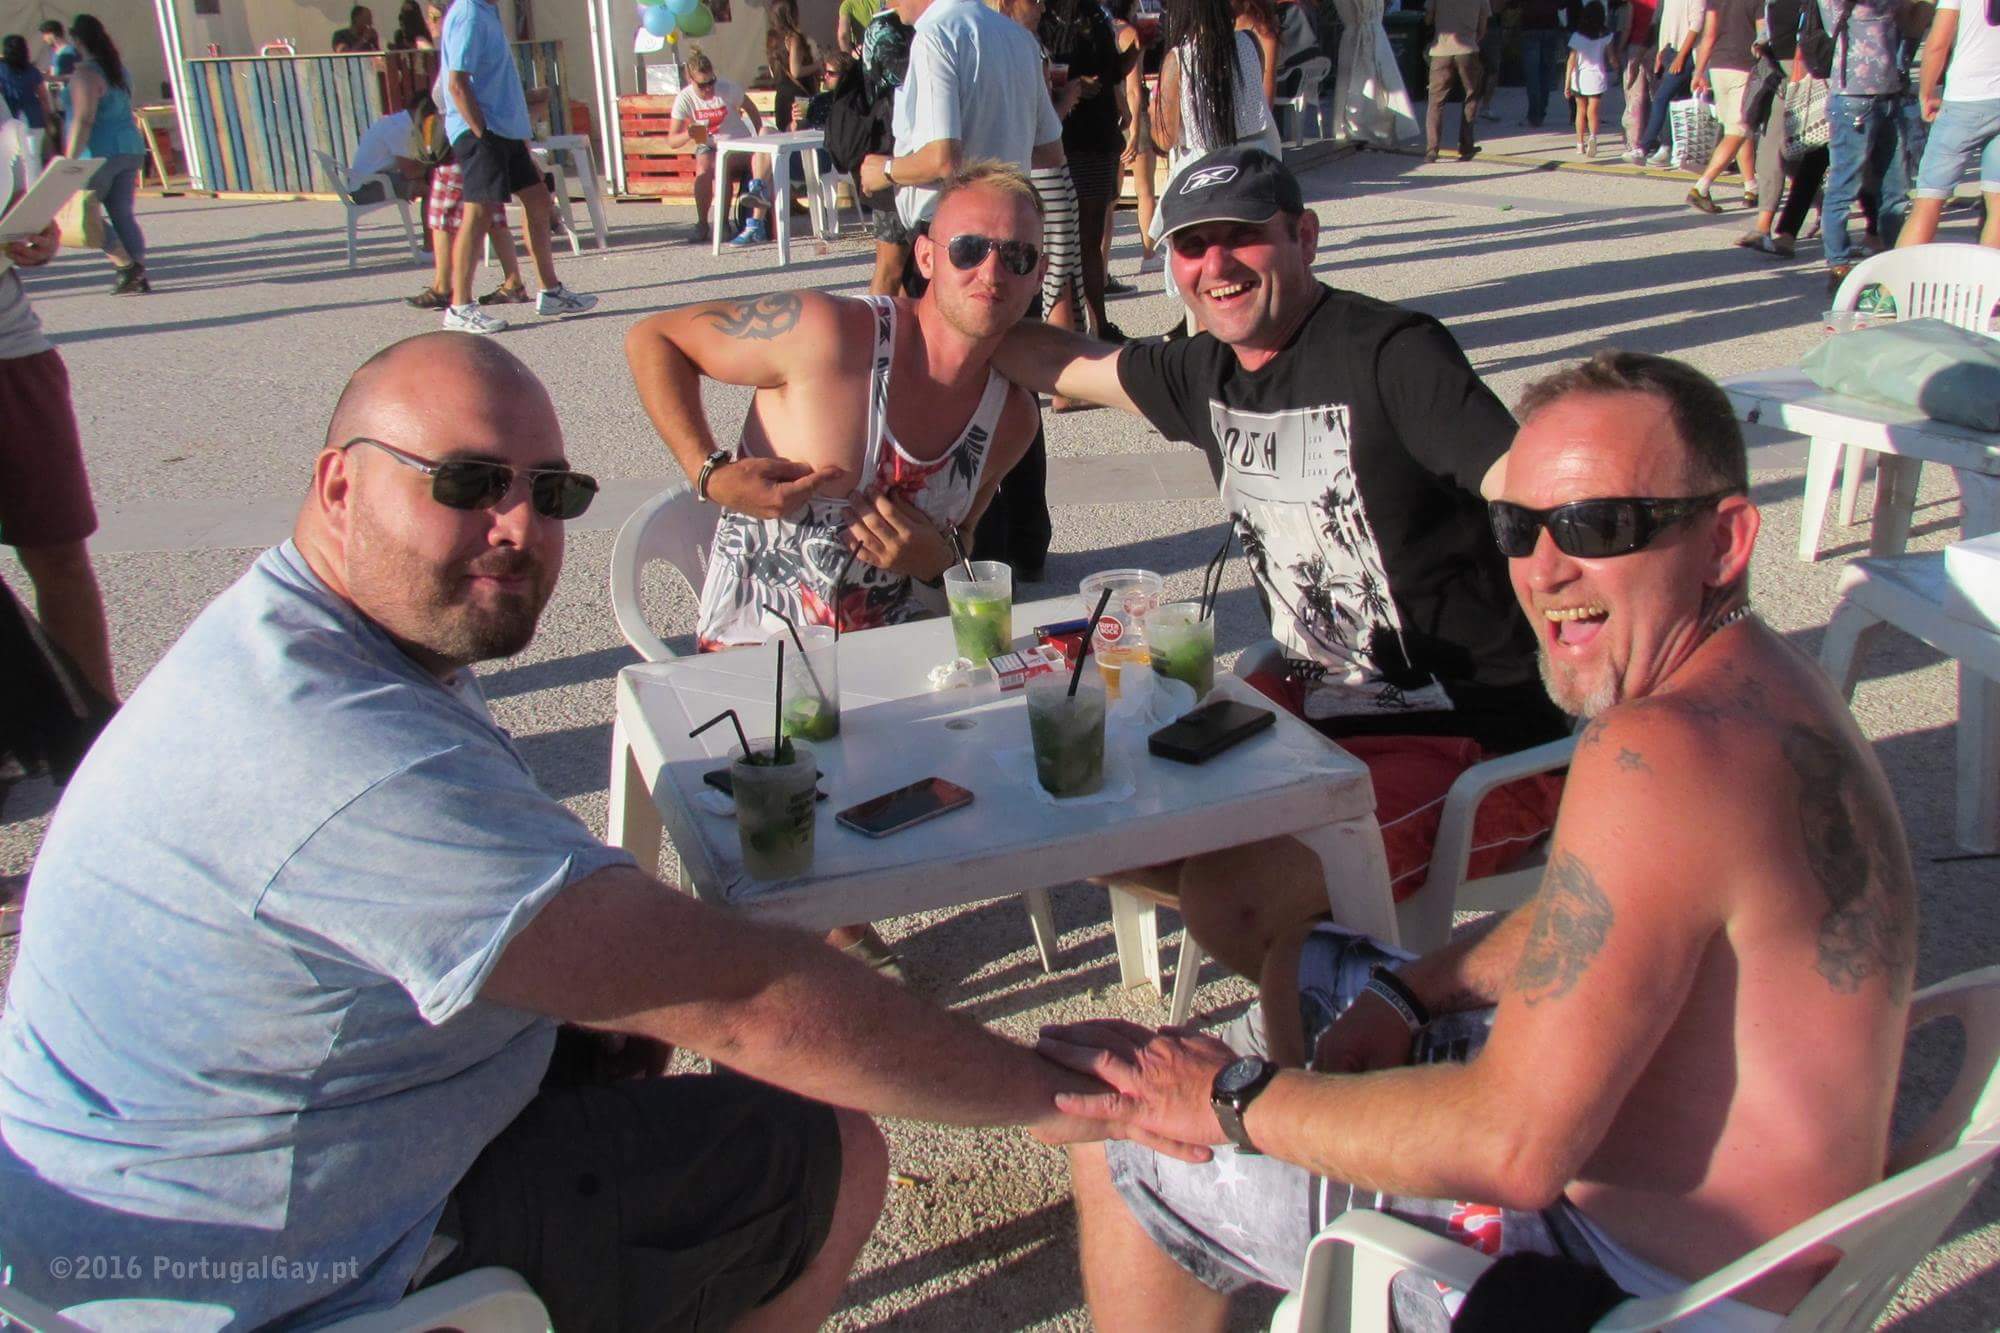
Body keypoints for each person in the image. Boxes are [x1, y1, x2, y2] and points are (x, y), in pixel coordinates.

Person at [0, 330, 1126, 1330]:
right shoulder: (337, 751)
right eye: (467, 481)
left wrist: (566, 1026)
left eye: (551, 493)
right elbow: (748, 1004)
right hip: (259, 1279)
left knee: (610, 1041)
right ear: (339, 483)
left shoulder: (307, 634)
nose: (517, 526)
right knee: (830, 1147)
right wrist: (1056, 1094)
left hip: (187, 1189)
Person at [1036, 348, 1918, 1333]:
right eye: (1517, 526)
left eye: (1598, 526)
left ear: (1725, 540)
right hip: (1775, 1253)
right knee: (1312, 965)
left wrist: (1230, 1099)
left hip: (1637, 1286)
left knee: (1128, 1137)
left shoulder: (1658, 751)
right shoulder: (1770, 687)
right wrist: (1415, 988)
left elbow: (1512, 1148)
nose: (1544, 569)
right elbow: (1599, 916)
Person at [993, 148, 1568, 984]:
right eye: (1193, 245)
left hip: (1465, 739)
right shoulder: (1205, 370)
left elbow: (1537, 488)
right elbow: (1057, 360)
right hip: (1310, 709)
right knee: (1087, 815)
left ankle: (1350, 1032)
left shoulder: (1392, 354)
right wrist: (938, 315)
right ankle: (1316, 971)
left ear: (1305, 237)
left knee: (1235, 897)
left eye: (1243, 237)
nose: (1216, 265)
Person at [626, 163, 1046, 973]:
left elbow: (959, 556)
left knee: (1037, 757)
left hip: (897, 665)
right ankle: (823, 927)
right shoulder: (829, 334)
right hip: (762, 667)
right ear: (926, 255)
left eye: (1017, 256)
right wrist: (710, 472)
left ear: (1037, 275)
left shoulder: (1011, 418)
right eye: (970, 248)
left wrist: (938, 556)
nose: (992, 271)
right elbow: (654, 339)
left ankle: (841, 907)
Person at [859, 0, 1067, 577]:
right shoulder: (1018, 39)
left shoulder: (937, 33)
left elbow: (942, 157)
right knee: (1013, 382)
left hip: (956, 242)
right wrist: (1005, 156)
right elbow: (1051, 148)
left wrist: (885, 170)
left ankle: (975, 553)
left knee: (954, 387)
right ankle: (1025, 543)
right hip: (1014, 238)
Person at [437, 0, 595, 333]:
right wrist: (482, 134)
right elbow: (456, 83)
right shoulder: (469, 13)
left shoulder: (486, 12)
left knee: (538, 201)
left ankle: (551, 291)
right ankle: (460, 306)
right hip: (484, 131)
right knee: (478, 213)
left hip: (505, 131)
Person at [1044, 0, 1127, 341]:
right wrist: (1073, 85)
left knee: (1088, 238)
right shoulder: (1046, 18)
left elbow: (1114, 72)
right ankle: (1081, 329)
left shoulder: (1095, 15)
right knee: (1069, 244)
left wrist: (1137, 51)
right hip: (1067, 137)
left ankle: (1098, 325)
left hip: (1096, 135)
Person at [1820, 0, 1919, 284]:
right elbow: (1832, 22)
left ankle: (1892, 256)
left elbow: (1910, 17)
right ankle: (1838, 263)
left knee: (1896, 186)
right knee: (1844, 184)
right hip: (1854, 95)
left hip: (1892, 93)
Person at [60, 14, 148, 296]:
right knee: (122, 213)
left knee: (85, 211)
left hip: (97, 152)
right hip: (129, 146)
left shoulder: (85, 74)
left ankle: (124, 264)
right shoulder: (119, 70)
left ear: (76, 40)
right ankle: (139, 270)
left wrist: (69, 160)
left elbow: (83, 119)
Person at [1899, 0, 1999, 246]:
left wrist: (1926, 93)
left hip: (1965, 97)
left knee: (1929, 200)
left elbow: (1938, 44)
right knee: (1998, 203)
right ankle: (1988, 270)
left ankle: (1904, 268)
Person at [665, 48, 776, 247]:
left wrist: (759, 136)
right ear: (690, 80)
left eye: (711, 82)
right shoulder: (685, 98)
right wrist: (689, 133)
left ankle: (724, 223)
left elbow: (751, 108)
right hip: (710, 146)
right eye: (702, 85)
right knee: (705, 167)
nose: (708, 89)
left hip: (738, 144)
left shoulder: (727, 88)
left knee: (722, 163)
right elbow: (672, 140)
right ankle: (702, 223)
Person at [1685, 0, 1762, 208]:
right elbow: (1762, 38)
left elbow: (1709, 36)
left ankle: (1751, 187)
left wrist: (1698, 72)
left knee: (1737, 128)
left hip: (1718, 66)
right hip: (1744, 67)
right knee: (1738, 130)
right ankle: (1701, 187)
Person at [1109, 0, 1160, 278]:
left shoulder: (1103, 29)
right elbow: (1133, 88)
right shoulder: (1130, 34)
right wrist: (1137, 128)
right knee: (1145, 190)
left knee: (1111, 197)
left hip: (1108, 116)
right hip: (1131, 116)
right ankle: (1149, 253)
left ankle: (1103, 263)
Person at [1638, 0, 1705, 163]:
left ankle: (1644, 147)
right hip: (1669, 51)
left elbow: (1696, 26)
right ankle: (1669, 147)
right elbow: (1665, 24)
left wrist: (1681, 57)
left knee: (1661, 98)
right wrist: (1660, 52)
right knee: (1676, 100)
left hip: (1685, 54)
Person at [1425, 0, 1490, 161]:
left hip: (1440, 51)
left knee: (1435, 101)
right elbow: (1483, 26)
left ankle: (1432, 149)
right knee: (1471, 96)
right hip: (1467, 49)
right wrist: (1472, 39)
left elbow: (1428, 19)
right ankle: (1466, 146)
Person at [348, 89, 431, 203]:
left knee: (427, 181)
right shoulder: (401, 128)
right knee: (429, 188)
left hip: (370, 182)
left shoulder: (398, 121)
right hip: (366, 190)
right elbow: (411, 172)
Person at [1, 35, 56, 186]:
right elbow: (43, 98)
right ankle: (34, 190)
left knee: (21, 160)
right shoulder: (33, 71)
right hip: (34, 118)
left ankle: (29, 190)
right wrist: (48, 120)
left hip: (11, 119)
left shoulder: (2, 69)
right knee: (33, 158)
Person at [1568, 1, 1615, 154]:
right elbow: (1611, 58)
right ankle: (1593, 137)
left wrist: (1567, 83)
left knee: (1580, 111)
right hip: (1597, 78)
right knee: (1593, 111)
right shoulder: (1606, 35)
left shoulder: (1577, 36)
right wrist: (1618, 67)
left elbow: (1571, 60)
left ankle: (1580, 144)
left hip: (1579, 79)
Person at [1517, 0, 1571, 126]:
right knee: (1545, 73)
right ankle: (1541, 111)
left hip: (1530, 26)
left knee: (1532, 75)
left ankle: (1534, 114)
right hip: (1550, 25)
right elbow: (1562, 5)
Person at [766, 0, 818, 130]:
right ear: (792, 14)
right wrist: (817, 65)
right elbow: (796, 71)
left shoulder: (771, 39)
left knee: (786, 133)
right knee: (803, 132)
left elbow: (772, 71)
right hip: (799, 97)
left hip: (781, 96)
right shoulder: (793, 38)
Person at [1619, 0, 1659, 158]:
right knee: (1656, 95)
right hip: (1657, 47)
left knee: (1635, 98)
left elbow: (1628, 26)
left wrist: (1620, 47)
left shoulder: (1634, 2)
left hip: (1636, 46)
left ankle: (1634, 141)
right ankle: (1657, 138)